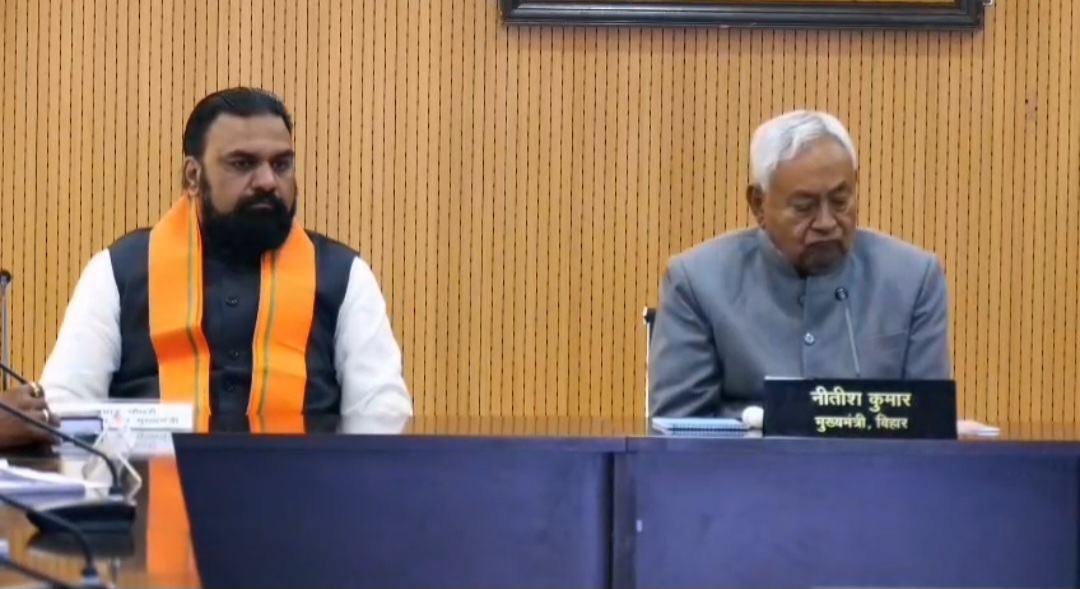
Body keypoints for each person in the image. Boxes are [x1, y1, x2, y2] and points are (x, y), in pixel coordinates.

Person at [0, 87, 412, 445]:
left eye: (281, 164)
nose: (268, 181)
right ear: (193, 177)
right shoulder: (117, 272)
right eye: (242, 164)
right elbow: (65, 410)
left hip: (304, 498)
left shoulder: (345, 276)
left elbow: (382, 419)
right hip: (143, 501)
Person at [648, 110, 951, 418]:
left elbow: (928, 424)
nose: (826, 222)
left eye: (840, 201)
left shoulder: (913, 279)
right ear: (758, 205)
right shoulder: (697, 282)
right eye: (804, 207)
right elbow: (677, 428)